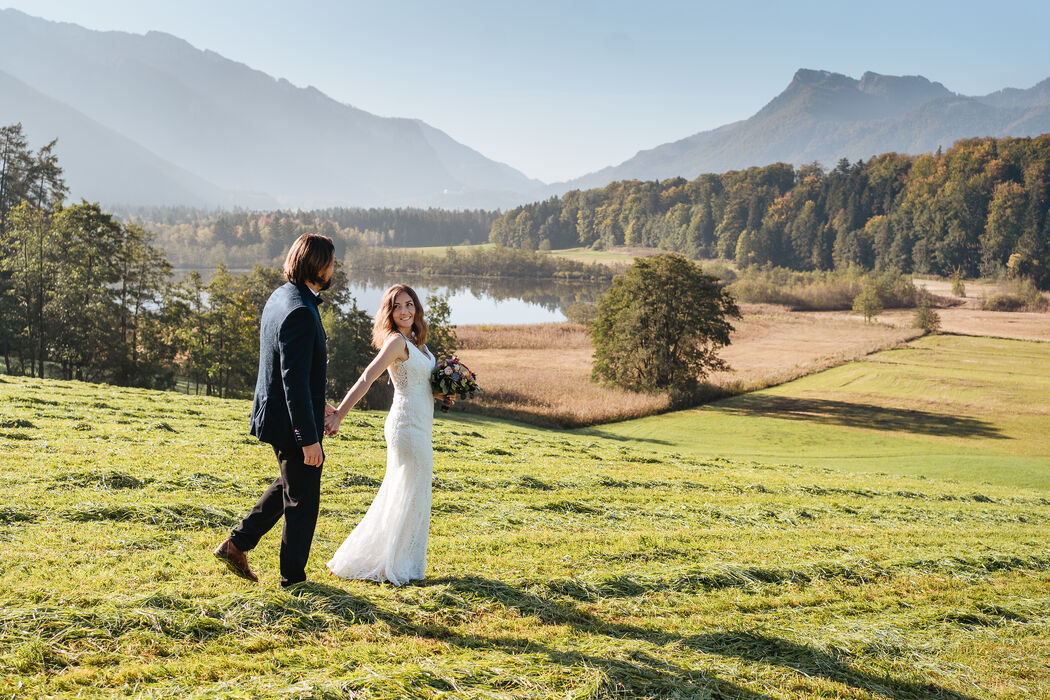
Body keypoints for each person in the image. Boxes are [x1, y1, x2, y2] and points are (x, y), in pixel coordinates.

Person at [213, 233, 335, 587]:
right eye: (330, 262)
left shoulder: (283, 296)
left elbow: (292, 368)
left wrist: (318, 401)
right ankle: (292, 580)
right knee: (303, 501)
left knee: (290, 484)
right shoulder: (299, 309)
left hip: (279, 414)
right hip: (290, 424)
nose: (333, 269)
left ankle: (237, 544)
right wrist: (308, 439)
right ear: (317, 265)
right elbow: (292, 380)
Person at [323, 284, 449, 585]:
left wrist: (445, 392)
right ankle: (394, 564)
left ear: (416, 307)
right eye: (397, 306)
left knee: (410, 493)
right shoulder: (395, 342)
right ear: (390, 313)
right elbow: (368, 377)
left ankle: (401, 561)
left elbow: (421, 383)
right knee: (409, 492)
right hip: (406, 426)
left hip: (422, 422)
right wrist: (340, 413)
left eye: (409, 304)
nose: (405, 311)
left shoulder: (418, 341)